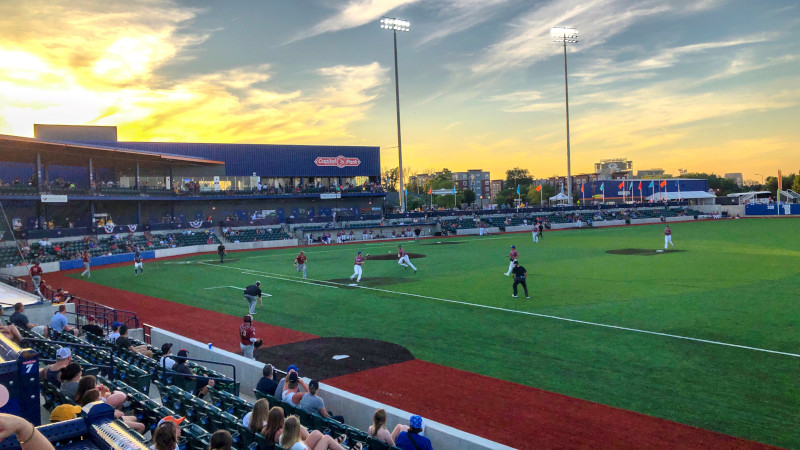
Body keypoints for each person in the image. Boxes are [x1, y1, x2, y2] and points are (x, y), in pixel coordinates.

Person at [280, 415, 354, 450]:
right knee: (327, 438)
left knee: (316, 433)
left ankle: (333, 443)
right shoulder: (298, 445)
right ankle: (333, 444)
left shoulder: (282, 438)